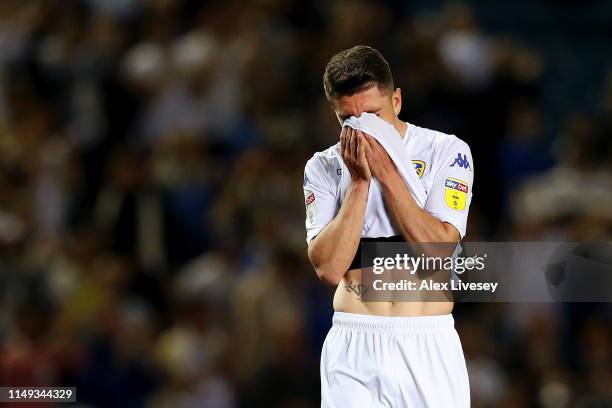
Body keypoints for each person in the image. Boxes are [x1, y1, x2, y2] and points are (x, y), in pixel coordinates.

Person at [303, 45, 474, 407]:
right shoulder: (322, 167)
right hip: (354, 343)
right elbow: (330, 268)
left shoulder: (446, 151)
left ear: (396, 101)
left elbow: (439, 251)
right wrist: (360, 183)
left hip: (427, 343)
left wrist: (385, 171)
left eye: (373, 115)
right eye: (348, 119)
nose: (362, 128)